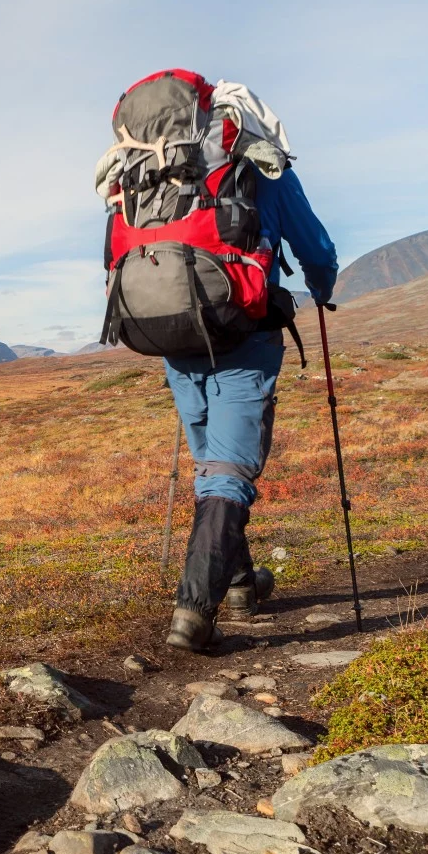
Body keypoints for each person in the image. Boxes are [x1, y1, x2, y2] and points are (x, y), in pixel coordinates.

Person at [163, 167, 339, 651]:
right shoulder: (265, 170)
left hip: (175, 337)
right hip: (245, 331)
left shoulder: (150, 173)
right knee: (227, 474)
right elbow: (316, 248)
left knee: (212, 468)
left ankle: (239, 585)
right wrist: (321, 288)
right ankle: (193, 612)